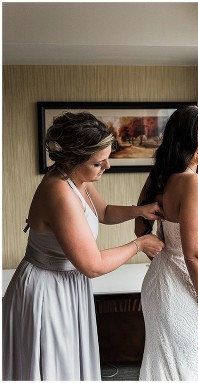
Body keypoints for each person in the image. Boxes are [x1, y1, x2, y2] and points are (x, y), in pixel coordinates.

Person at [2, 112, 165, 380]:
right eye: (99, 163)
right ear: (71, 159)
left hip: (68, 284)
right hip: (47, 290)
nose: (107, 167)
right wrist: (139, 244)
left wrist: (140, 210)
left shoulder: (79, 179)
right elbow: (92, 265)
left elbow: (103, 212)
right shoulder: (59, 193)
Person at [135, 105, 198, 380]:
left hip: (160, 283)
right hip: (183, 289)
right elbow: (195, 255)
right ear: (181, 139)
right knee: (191, 369)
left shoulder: (160, 176)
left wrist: (163, 254)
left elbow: (141, 224)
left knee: (166, 366)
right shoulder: (194, 184)